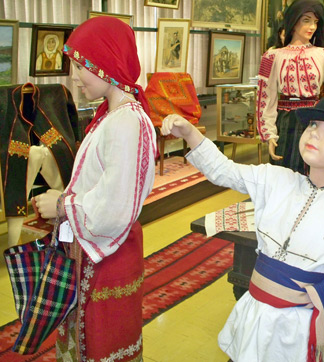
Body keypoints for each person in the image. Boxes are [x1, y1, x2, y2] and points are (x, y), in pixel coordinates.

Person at [162, 91, 324, 362]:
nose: (314, 133)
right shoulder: (275, 179)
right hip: (256, 315)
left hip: (301, 330)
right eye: (314, 125)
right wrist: (190, 134)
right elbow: (224, 170)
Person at [32, 16, 157, 361]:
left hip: (105, 253)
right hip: (96, 248)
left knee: (102, 339)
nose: (74, 76)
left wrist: (61, 204)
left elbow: (113, 209)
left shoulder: (126, 122)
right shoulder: (114, 116)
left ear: (107, 64)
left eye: (81, 66)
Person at [256, 0, 324, 174]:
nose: (312, 26)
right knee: (283, 173)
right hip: (285, 120)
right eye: (306, 20)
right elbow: (266, 97)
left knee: (311, 172)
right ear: (293, 21)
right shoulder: (272, 56)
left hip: (314, 120)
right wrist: (269, 134)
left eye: (315, 21)